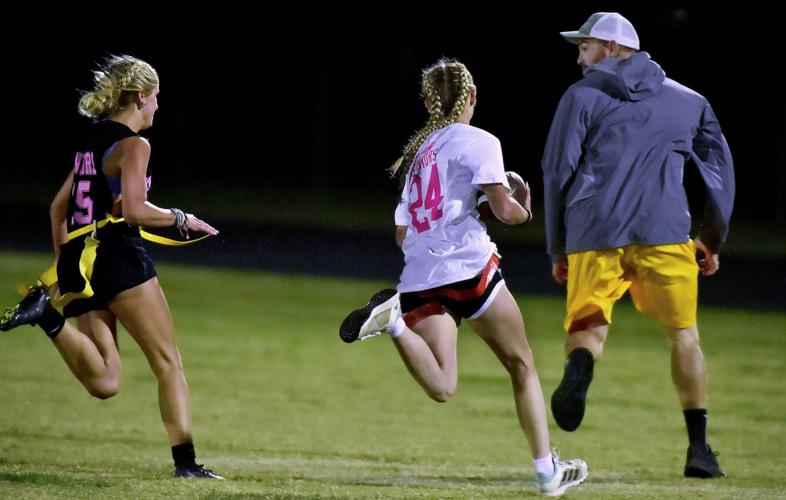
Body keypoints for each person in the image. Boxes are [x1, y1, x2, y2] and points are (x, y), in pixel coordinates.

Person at [340, 58, 587, 497]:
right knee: (521, 363)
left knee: (443, 385)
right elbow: (506, 211)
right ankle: (547, 473)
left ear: (428, 102)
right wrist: (524, 207)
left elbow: (402, 234)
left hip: (419, 276)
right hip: (468, 269)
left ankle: (393, 322)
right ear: (471, 96)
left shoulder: (416, 155)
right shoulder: (481, 141)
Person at [0, 55, 223, 479]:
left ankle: (46, 317)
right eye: (156, 97)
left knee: (105, 381)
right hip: (119, 257)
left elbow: (58, 208)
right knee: (168, 362)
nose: (158, 106)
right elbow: (136, 211)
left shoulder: (92, 139)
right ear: (140, 96)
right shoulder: (135, 145)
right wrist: (181, 218)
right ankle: (186, 464)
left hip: (81, 262)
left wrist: (64, 262)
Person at [541, 12, 734, 478]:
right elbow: (719, 172)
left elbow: (556, 171)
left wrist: (558, 246)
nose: (579, 60)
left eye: (584, 48)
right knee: (684, 335)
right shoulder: (690, 101)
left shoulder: (580, 96)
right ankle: (699, 449)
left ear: (610, 48)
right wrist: (712, 236)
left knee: (588, 326)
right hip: (664, 230)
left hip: (595, 228)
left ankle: (581, 367)